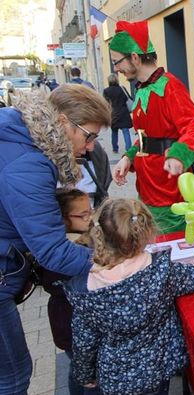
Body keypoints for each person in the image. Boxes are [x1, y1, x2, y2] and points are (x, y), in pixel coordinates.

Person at [0, 84, 111, 394]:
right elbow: (54, 253)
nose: (90, 147)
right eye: (88, 136)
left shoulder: (18, 132)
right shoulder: (30, 165)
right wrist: (114, 260)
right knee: (13, 377)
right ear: (63, 123)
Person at [64, 198, 194, 395]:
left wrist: (85, 375)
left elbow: (84, 341)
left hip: (114, 377)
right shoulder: (160, 272)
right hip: (156, 369)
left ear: (99, 234)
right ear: (146, 232)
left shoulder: (87, 288)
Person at [109, 20, 194, 233]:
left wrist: (178, 155)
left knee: (173, 246)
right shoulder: (142, 89)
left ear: (135, 58)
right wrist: (128, 157)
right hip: (147, 187)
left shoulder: (170, 87)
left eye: (117, 62)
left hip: (169, 191)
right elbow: (146, 137)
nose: (116, 69)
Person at [41, 188, 97, 395]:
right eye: (83, 214)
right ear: (63, 219)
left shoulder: (81, 237)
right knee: (90, 376)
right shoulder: (63, 252)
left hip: (75, 326)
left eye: (91, 210)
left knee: (79, 371)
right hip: (70, 326)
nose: (90, 217)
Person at [102, 73, 133, 153]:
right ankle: (129, 149)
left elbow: (105, 103)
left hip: (113, 114)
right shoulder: (122, 89)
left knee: (114, 132)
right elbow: (127, 98)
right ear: (117, 80)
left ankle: (115, 149)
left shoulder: (106, 91)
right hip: (123, 113)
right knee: (126, 131)